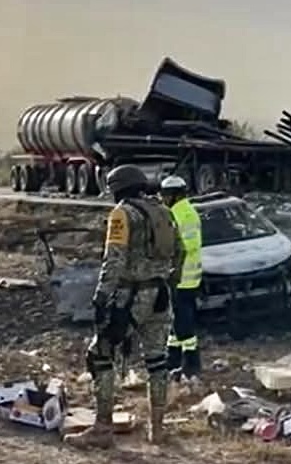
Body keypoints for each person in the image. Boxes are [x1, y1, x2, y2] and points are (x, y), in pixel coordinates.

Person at [64, 165, 183, 449]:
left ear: (117, 188)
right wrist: (168, 281)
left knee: (100, 355)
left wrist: (101, 297)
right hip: (161, 295)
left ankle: (102, 429)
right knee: (157, 362)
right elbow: (181, 251)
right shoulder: (163, 211)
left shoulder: (122, 213)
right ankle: (157, 430)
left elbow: (114, 260)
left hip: (130, 298)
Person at [159, 175, 203, 383]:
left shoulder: (180, 214)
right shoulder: (186, 211)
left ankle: (191, 364)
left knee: (184, 323)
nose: (163, 198)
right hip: (187, 277)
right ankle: (173, 360)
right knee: (176, 321)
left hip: (182, 278)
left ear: (175, 194)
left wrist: (170, 269)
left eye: (165, 195)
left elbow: (182, 247)